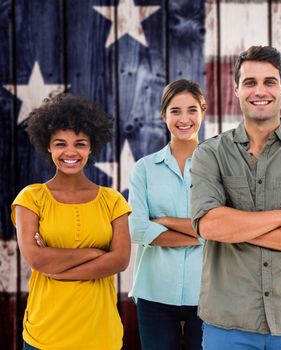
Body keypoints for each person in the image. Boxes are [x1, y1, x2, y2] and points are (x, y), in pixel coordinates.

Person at [190, 45, 281, 350]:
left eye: (269, 82)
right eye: (250, 82)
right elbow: (210, 226)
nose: (260, 91)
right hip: (228, 322)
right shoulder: (210, 154)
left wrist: (238, 228)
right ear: (236, 89)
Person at [11, 94, 131, 350]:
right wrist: (95, 253)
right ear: (48, 146)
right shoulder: (31, 198)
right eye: (60, 143)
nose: (70, 152)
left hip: (100, 335)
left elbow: (120, 260)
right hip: (44, 335)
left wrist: (57, 270)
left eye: (80, 143)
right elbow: (37, 259)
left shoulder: (112, 200)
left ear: (91, 147)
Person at [128, 79, 206, 350]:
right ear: (164, 116)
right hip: (154, 291)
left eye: (192, 110)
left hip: (207, 292)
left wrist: (163, 223)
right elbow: (137, 229)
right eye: (175, 111)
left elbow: (230, 229)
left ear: (202, 112)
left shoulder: (219, 168)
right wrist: (205, 234)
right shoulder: (144, 169)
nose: (184, 119)